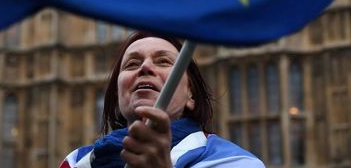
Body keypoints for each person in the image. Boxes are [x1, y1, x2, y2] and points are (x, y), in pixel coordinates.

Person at [60, 32, 265, 168]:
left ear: (191, 96)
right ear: (116, 99)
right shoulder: (76, 162)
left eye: (164, 61)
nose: (145, 67)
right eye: (132, 64)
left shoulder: (233, 162)